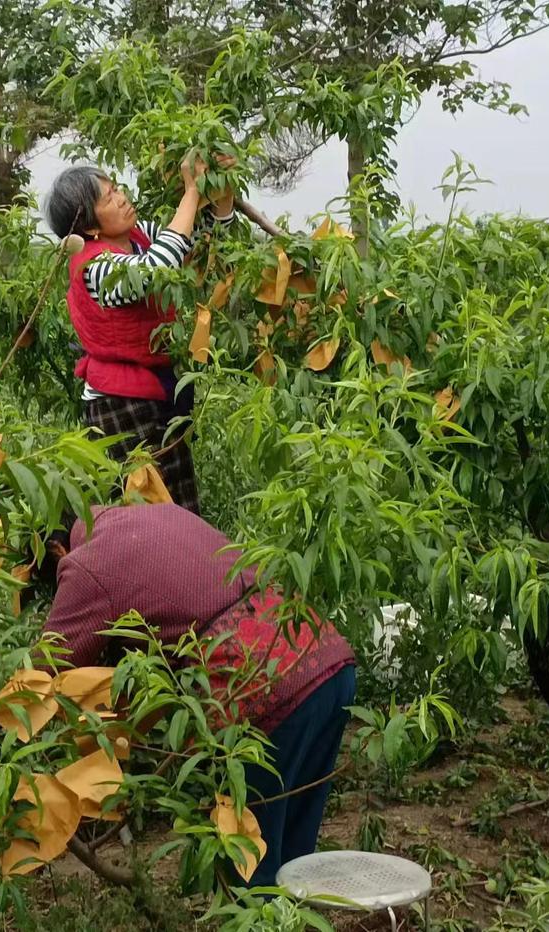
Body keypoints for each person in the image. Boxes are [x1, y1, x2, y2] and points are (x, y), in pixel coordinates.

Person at [35, 503, 357, 888]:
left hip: (262, 693)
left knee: (249, 873)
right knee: (296, 867)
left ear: (55, 551)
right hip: (323, 654)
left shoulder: (86, 563)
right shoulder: (151, 511)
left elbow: (44, 672)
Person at [43, 158, 236, 514]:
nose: (120, 198)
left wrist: (221, 192)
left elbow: (196, 242)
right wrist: (192, 191)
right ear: (89, 226)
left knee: (177, 498)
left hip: (157, 388)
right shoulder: (96, 267)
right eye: (107, 198)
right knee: (144, 508)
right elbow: (157, 269)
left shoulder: (138, 236)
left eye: (116, 188)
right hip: (120, 402)